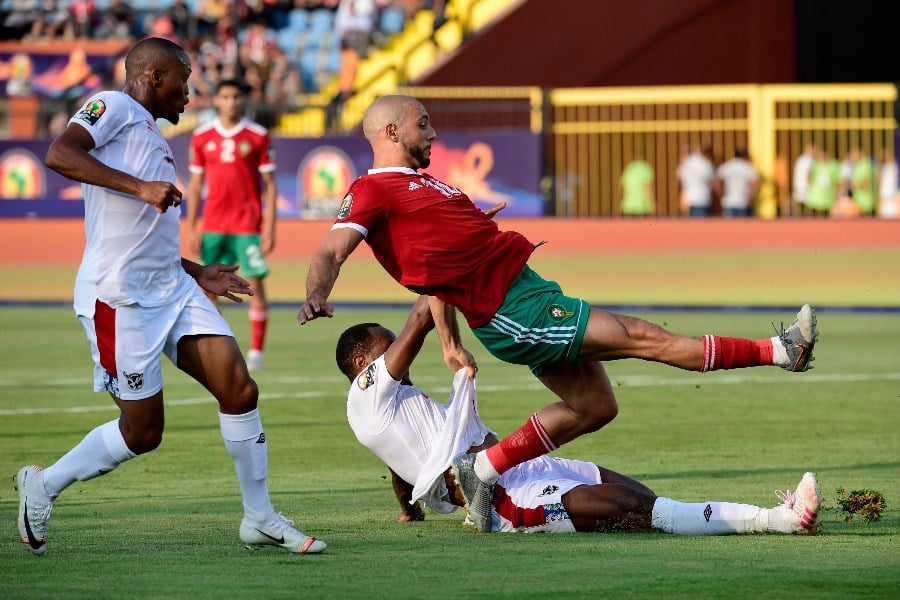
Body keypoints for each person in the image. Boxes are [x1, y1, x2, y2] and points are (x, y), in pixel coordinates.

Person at [297, 94, 818, 532]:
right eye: (423, 122)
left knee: (596, 406)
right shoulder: (370, 190)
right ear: (391, 129)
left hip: (522, 289)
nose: (432, 132)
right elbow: (330, 251)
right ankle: (779, 350)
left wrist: (454, 325)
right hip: (512, 307)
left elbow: (438, 271)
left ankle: (485, 467)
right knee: (643, 336)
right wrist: (317, 291)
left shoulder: (426, 184)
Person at [17, 37, 324, 557]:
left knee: (240, 390)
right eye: (183, 83)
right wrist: (139, 187)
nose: (189, 95)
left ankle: (260, 517)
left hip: (174, 289)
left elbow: (144, 235)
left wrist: (198, 271)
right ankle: (42, 486)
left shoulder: (154, 137)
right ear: (155, 76)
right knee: (143, 433)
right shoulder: (113, 106)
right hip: (120, 300)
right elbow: (58, 153)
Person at [335, 297, 822, 535]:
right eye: (385, 344)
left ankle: (776, 518)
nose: (398, 350)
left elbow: (402, 465)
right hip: (503, 499)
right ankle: (778, 519)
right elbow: (423, 311)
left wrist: (408, 507)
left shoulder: (388, 409)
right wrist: (450, 296)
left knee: (642, 498)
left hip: (519, 468)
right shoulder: (366, 393)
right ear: (362, 364)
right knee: (640, 511)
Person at [186, 79, 277, 372]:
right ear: (217, 100)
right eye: (225, 96)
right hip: (213, 225)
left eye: (236, 95)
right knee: (209, 288)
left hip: (246, 225)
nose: (231, 101)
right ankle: (220, 347)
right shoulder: (201, 136)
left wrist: (270, 226)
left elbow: (270, 186)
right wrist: (191, 226)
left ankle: (257, 353)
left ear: (243, 99)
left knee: (256, 285)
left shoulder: (258, 135)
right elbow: (196, 185)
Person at [713, 147, 759, 217]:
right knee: (742, 227)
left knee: (729, 227)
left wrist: (722, 194)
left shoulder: (727, 166)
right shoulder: (747, 167)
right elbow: (755, 182)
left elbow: (715, 182)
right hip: (742, 202)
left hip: (728, 201)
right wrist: (750, 196)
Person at [676, 143, 715, 217]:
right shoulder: (705, 164)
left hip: (688, 200)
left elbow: (679, 182)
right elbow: (712, 181)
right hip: (702, 199)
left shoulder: (684, 164)